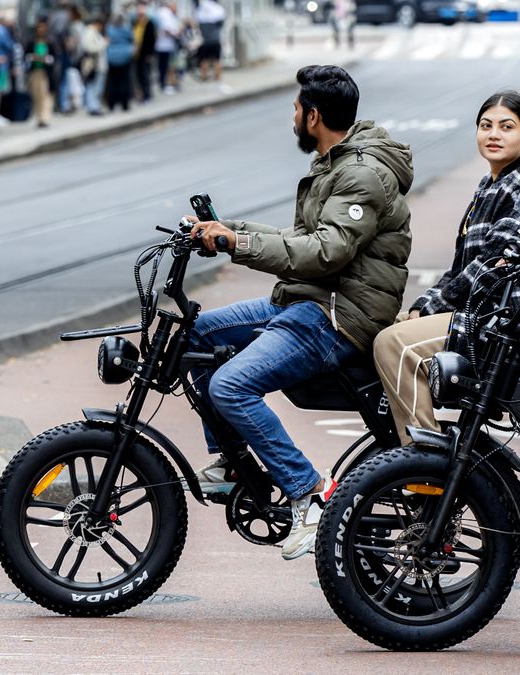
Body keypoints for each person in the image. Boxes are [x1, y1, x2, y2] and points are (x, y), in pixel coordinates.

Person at [187, 65, 413, 561]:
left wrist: (238, 242)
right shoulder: (335, 161)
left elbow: (325, 252)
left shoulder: (361, 174)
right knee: (197, 335)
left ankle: (308, 491)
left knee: (230, 385)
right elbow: (303, 242)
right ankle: (232, 462)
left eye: (295, 109)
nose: (292, 117)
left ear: (313, 116)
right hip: (308, 297)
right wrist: (225, 229)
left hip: (337, 313)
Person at [373, 91, 520, 445]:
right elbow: (461, 267)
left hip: (511, 327)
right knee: (393, 325)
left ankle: (421, 458)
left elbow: (493, 262)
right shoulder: (490, 185)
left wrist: (432, 306)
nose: (493, 134)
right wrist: (421, 306)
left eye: (506, 127)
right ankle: (405, 446)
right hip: (485, 316)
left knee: (393, 344)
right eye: (485, 126)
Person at [24, 19, 59, 128]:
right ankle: (38, 117)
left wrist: (45, 59)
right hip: (35, 72)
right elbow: (26, 56)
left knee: (46, 95)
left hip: (46, 72)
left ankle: (44, 118)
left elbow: (55, 58)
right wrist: (33, 58)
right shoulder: (31, 42)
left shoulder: (50, 42)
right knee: (36, 95)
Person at [104, 14, 135, 112]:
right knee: (124, 82)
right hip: (124, 57)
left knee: (112, 82)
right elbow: (132, 39)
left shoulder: (109, 29)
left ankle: (111, 104)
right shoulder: (126, 29)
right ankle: (124, 104)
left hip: (112, 57)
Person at [80, 17, 107, 115]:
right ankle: (93, 107)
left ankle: (95, 106)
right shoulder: (89, 32)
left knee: (96, 86)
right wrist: (104, 44)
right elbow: (90, 48)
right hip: (94, 65)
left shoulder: (93, 32)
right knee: (93, 86)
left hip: (98, 65)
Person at [194, 0, 226, 82]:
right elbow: (221, 24)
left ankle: (204, 77)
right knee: (216, 60)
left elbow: (197, 24)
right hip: (215, 39)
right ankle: (217, 77)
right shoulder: (217, 10)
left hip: (205, 40)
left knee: (204, 59)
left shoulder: (201, 10)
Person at [132, 1, 157, 103]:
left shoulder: (149, 23)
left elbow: (151, 40)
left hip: (145, 54)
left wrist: (150, 54)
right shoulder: (136, 23)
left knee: (145, 75)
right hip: (136, 54)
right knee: (139, 76)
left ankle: (147, 95)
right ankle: (141, 94)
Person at [154, 0, 182, 94]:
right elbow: (167, 29)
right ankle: (164, 84)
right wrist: (176, 34)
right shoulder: (164, 13)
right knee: (164, 65)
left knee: (167, 65)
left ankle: (169, 83)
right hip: (164, 45)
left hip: (167, 45)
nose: (177, 8)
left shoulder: (167, 13)